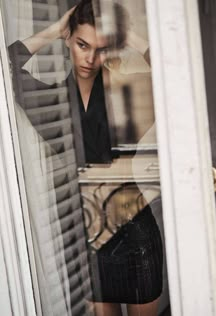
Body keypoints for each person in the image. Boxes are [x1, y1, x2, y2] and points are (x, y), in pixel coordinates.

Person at [8, 1, 163, 315]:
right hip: (87, 238)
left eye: (101, 49)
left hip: (135, 233)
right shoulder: (51, 104)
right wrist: (56, 28)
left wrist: (126, 35)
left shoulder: (126, 95)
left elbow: (170, 72)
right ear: (69, 40)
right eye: (82, 45)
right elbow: (9, 63)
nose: (90, 58)